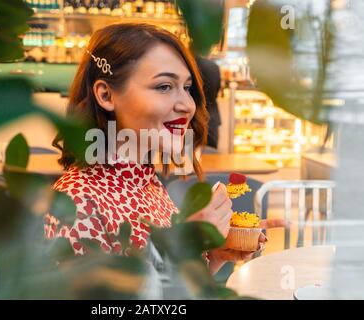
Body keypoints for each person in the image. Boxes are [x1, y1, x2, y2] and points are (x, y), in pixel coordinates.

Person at [46, 23, 267, 276]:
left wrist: (212, 257)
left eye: (186, 88)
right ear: (106, 95)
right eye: (164, 87)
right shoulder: (79, 205)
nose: (187, 105)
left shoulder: (146, 181)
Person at [195, 56, 222, 149]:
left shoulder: (188, 63)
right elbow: (217, 89)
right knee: (211, 153)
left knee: (189, 154)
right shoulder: (214, 66)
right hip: (212, 117)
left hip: (194, 117)